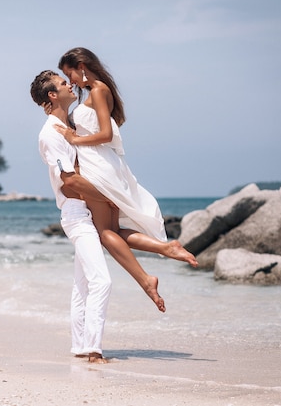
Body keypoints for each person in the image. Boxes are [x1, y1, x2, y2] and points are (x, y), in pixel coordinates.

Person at [53, 47, 198, 275]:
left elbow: (105, 135)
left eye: (68, 74)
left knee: (105, 234)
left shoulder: (99, 91)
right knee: (111, 231)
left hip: (99, 165)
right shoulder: (96, 92)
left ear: (81, 67)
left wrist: (75, 139)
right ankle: (166, 249)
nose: (69, 81)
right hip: (100, 162)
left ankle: (155, 264)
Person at [32, 70, 112, 364]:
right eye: (63, 83)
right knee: (101, 281)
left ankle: (80, 345)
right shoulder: (50, 134)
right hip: (77, 213)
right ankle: (94, 350)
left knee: (82, 285)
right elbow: (69, 181)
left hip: (86, 210)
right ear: (53, 95)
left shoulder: (69, 124)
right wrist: (111, 197)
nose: (70, 85)